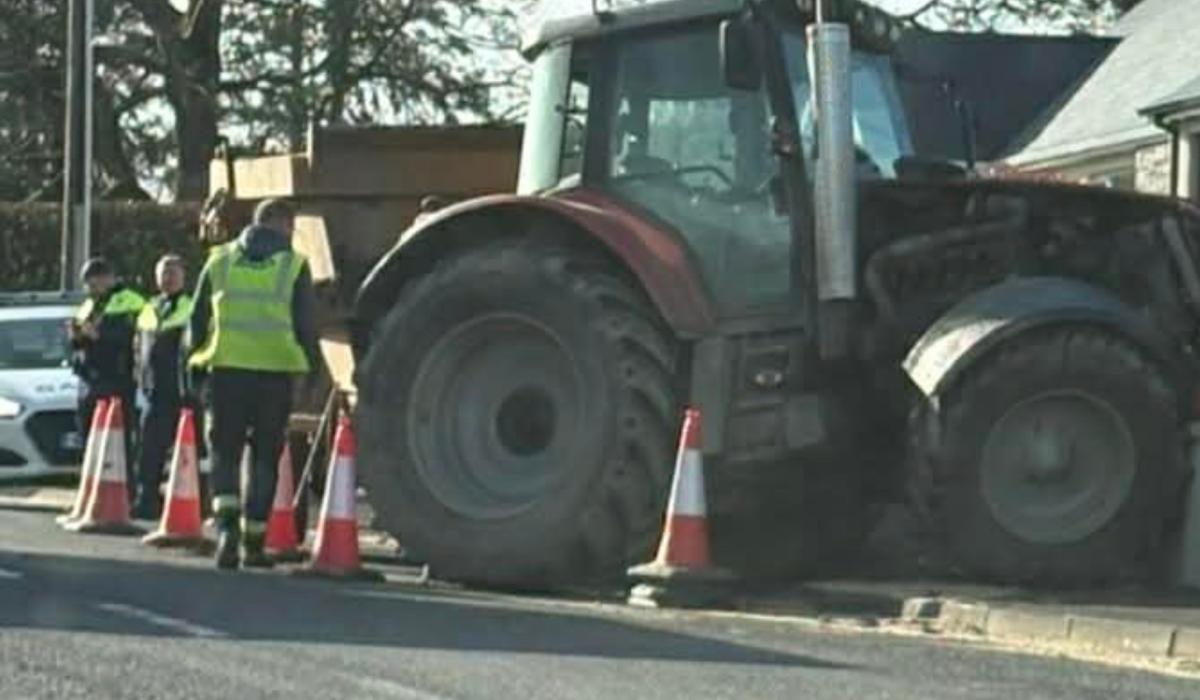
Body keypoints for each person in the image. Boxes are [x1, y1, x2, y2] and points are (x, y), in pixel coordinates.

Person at [189, 198, 319, 569]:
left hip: (225, 370)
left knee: (224, 454)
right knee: (265, 458)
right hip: (274, 376)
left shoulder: (220, 259)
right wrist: (311, 373)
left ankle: (226, 531)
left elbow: (197, 322)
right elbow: (307, 325)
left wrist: (194, 368)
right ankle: (253, 543)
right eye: (291, 227)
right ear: (282, 224)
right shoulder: (293, 266)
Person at [68, 257, 146, 494]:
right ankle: (92, 492)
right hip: (90, 379)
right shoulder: (89, 305)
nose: (91, 287)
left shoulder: (129, 301)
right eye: (88, 283)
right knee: (90, 439)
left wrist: (97, 335)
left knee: (119, 442)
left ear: (109, 278)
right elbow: (80, 345)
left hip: (117, 379)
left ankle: (125, 494)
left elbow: (129, 338)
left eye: (95, 281)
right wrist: (76, 337)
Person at [133, 254, 194, 519]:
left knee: (186, 451)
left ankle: (188, 503)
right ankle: (147, 499)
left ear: (183, 277)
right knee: (149, 449)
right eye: (163, 273)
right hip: (152, 389)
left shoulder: (191, 306)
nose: (168, 278)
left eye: (173, 273)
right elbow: (139, 346)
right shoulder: (150, 307)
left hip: (180, 391)